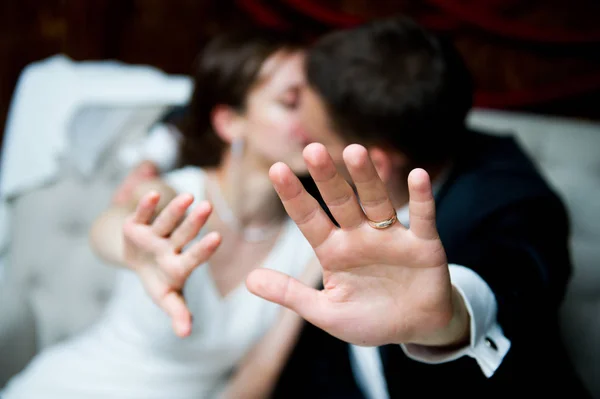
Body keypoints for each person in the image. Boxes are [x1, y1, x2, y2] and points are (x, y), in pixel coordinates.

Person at [244, 16, 592, 398]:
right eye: (290, 103)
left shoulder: (516, 204)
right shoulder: (353, 141)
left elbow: (507, 280)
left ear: (371, 164)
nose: (293, 132)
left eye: (309, 134)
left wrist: (449, 315)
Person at [1, 28, 320, 399]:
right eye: (290, 102)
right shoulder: (177, 192)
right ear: (229, 122)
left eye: (317, 102)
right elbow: (114, 223)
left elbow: (258, 377)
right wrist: (134, 248)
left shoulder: (308, 242)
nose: (311, 120)